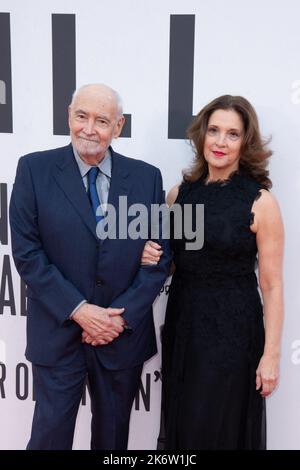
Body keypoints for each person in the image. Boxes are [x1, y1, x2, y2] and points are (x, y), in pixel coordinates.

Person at [9, 83, 171, 450]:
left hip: (121, 336)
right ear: (69, 115)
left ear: (118, 126)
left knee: (113, 441)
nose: (89, 128)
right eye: (81, 116)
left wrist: (118, 318)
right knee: (49, 437)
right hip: (58, 333)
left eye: (101, 120)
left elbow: (160, 258)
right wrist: (81, 311)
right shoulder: (34, 169)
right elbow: (27, 254)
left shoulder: (147, 178)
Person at [142, 95, 284, 450]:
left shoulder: (260, 202)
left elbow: (272, 285)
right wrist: (150, 254)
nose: (220, 142)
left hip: (234, 336)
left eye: (232, 134)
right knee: (186, 426)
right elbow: (172, 263)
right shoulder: (179, 196)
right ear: (201, 134)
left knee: (223, 428)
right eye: (214, 130)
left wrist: (271, 355)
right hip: (184, 327)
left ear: (245, 142)